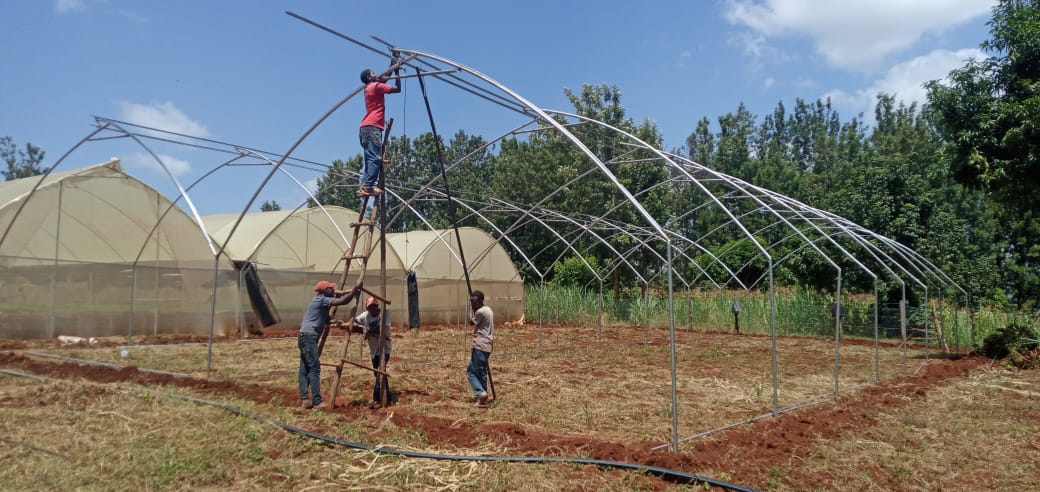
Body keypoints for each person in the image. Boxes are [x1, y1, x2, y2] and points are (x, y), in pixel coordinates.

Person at [298, 279, 362, 410]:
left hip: (303, 336)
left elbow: (325, 318)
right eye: (331, 288)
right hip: (309, 337)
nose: (333, 290)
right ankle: (317, 401)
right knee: (314, 368)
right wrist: (355, 290)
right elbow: (343, 301)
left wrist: (333, 320)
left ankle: (304, 399)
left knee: (304, 368)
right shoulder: (322, 299)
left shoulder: (318, 301)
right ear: (324, 291)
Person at [357, 62, 401, 196]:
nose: (377, 74)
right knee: (374, 158)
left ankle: (365, 186)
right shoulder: (376, 86)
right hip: (373, 127)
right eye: (374, 73)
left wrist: (394, 63)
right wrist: (398, 73)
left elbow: (385, 77)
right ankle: (369, 186)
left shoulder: (369, 87)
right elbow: (397, 89)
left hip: (364, 128)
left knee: (369, 158)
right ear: (370, 78)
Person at [354, 296, 392, 407]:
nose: (373, 309)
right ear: (367, 308)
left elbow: (381, 329)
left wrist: (368, 331)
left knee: (380, 371)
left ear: (378, 306)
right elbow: (353, 322)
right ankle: (387, 396)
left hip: (384, 348)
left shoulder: (385, 313)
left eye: (375, 306)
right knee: (378, 373)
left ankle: (377, 399)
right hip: (374, 350)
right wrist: (361, 327)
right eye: (370, 307)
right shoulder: (366, 315)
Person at [466, 290, 494, 408]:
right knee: (482, 373)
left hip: (480, 345)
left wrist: (469, 310)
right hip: (487, 345)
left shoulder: (481, 312)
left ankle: (480, 393)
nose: (473, 304)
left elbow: (471, 322)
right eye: (471, 302)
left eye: (474, 302)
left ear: (481, 301)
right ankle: (483, 397)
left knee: (471, 372)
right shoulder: (488, 309)